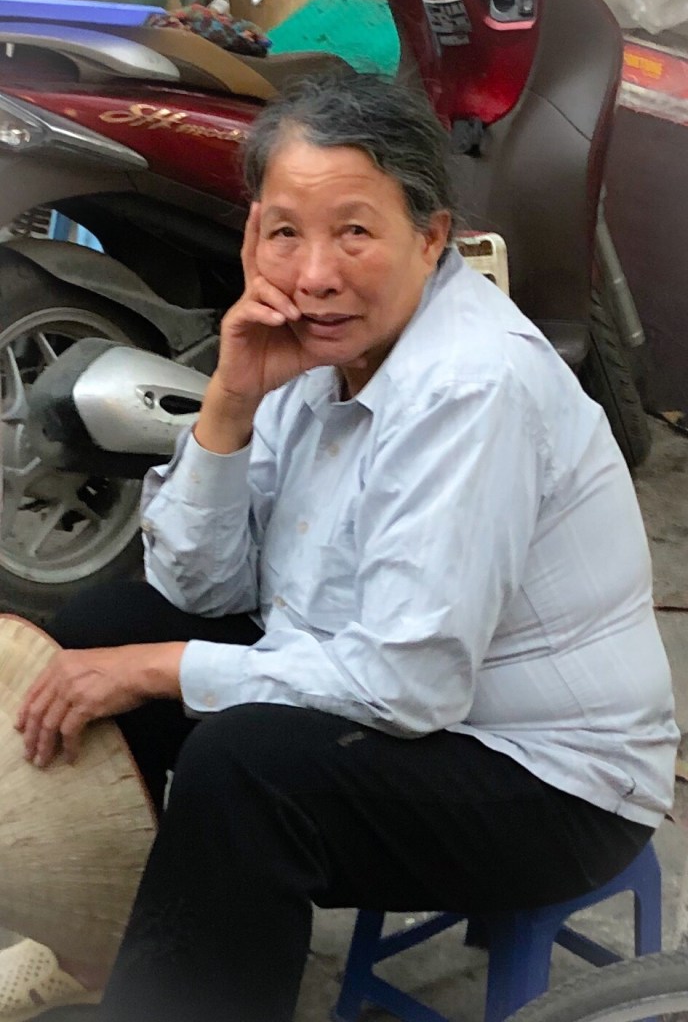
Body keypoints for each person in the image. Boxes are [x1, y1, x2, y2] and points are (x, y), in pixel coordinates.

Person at [2, 72, 678, 1022]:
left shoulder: (472, 387)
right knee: (103, 627)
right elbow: (197, 586)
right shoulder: (309, 347)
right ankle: (109, 943)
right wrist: (231, 401)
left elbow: (408, 683)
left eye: (355, 231)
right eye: (286, 232)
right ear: (253, 237)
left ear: (431, 237)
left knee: (245, 771)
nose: (315, 273)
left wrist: (160, 668)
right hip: (405, 689)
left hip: (549, 778)